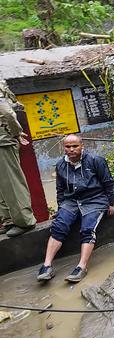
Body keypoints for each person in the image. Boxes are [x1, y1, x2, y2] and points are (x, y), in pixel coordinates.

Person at [37, 134, 114, 283]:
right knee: (59, 226)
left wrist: (111, 203)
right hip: (71, 201)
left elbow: (108, 182)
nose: (72, 149)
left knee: (87, 229)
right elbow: (60, 190)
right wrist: (61, 208)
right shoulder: (61, 165)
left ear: (82, 146)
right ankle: (46, 266)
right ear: (64, 148)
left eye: (75, 146)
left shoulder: (95, 161)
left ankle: (81, 267)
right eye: (68, 147)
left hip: (95, 199)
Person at [0, 80, 37, 237]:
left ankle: (24, 221)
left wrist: (16, 132)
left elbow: (8, 113)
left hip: (3, 142)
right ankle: (9, 220)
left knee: (11, 183)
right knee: (2, 187)